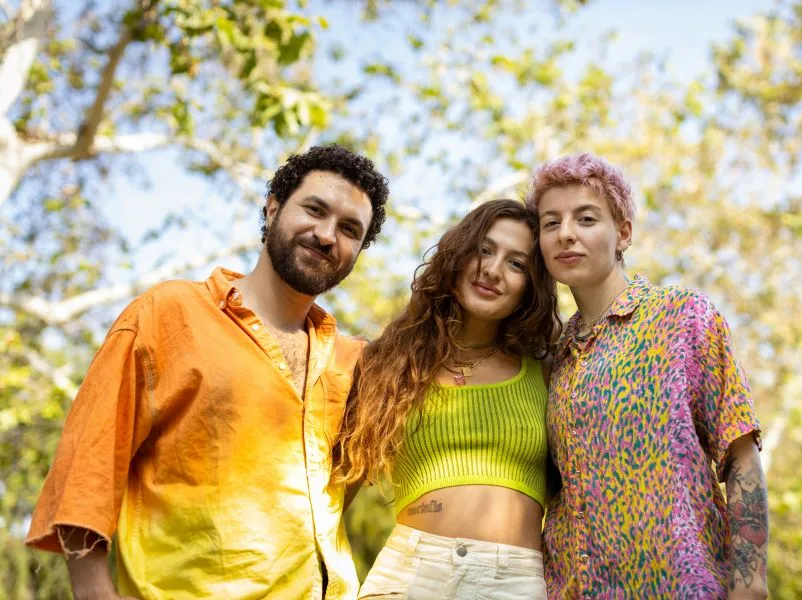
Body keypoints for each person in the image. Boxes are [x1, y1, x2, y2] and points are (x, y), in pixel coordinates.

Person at [25, 145, 390, 600]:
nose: (326, 234)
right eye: (314, 210)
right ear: (273, 207)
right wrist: (94, 589)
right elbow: (90, 460)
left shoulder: (350, 361)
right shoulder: (169, 312)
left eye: (349, 229)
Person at [527, 154, 769, 599]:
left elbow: (741, 456)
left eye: (585, 218)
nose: (566, 233)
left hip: (681, 586)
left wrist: (750, 583)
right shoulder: (552, 358)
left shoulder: (682, 316)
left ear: (623, 232)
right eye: (550, 222)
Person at [335, 199, 561, 598]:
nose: (492, 270)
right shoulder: (388, 364)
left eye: (516, 263)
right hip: (408, 573)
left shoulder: (544, 369)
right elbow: (337, 490)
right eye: (484, 250)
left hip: (515, 581)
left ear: (530, 287)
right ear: (458, 255)